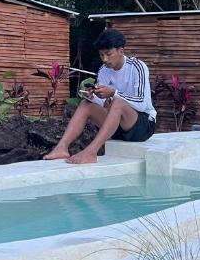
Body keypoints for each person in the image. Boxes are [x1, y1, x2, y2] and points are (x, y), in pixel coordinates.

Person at [44, 27, 156, 164]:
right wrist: (94, 97)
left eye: (108, 54)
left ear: (121, 51)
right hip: (116, 125)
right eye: (101, 55)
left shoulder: (137, 67)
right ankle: (61, 148)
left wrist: (113, 93)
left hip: (143, 126)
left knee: (118, 103)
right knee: (86, 105)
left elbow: (142, 103)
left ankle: (91, 153)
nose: (104, 59)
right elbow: (104, 103)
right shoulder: (104, 70)